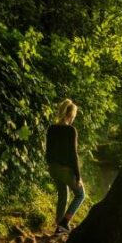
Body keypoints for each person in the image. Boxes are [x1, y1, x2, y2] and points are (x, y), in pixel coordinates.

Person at [45, 99, 85, 234]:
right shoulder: (70, 130)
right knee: (80, 194)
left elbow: (48, 152)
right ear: (70, 114)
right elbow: (74, 155)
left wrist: (51, 166)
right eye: (74, 116)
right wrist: (78, 177)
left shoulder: (51, 128)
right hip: (66, 171)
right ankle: (64, 223)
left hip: (53, 169)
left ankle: (59, 227)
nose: (74, 119)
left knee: (63, 195)